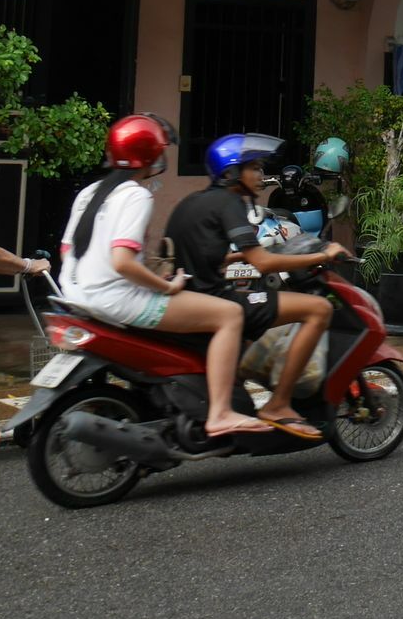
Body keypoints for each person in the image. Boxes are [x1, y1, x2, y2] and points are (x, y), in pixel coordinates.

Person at [55, 115, 271, 440]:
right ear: (150, 154)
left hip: (76, 296)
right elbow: (123, 262)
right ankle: (221, 413)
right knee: (230, 314)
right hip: (118, 299)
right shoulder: (135, 195)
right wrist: (166, 285)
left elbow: (67, 250)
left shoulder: (90, 192)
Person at [166, 133, 350, 442]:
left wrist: (243, 254)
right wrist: (324, 254)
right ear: (232, 172)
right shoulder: (229, 203)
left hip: (191, 297)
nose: (260, 175)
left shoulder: (194, 202)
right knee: (318, 308)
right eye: (253, 168)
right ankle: (278, 404)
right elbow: (262, 263)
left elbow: (213, 254)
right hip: (216, 300)